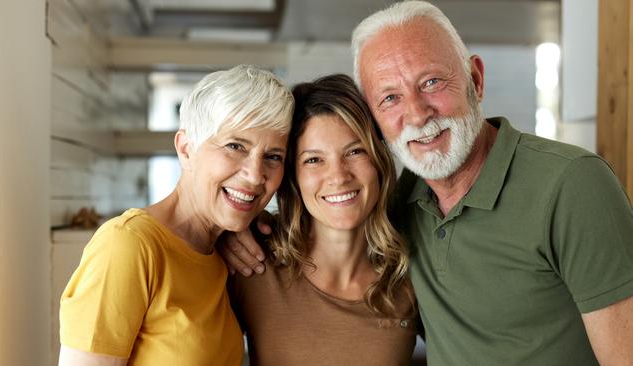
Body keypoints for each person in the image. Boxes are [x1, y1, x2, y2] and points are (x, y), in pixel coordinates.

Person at [222, 2, 633, 365]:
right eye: (390, 98)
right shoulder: (404, 207)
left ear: (475, 79)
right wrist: (227, 231)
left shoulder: (571, 183)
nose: (417, 114)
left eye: (432, 82)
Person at [58, 65, 294, 366]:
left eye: (273, 157)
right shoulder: (127, 245)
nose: (254, 175)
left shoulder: (225, 251)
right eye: (235, 146)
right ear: (186, 149)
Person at [227, 74, 417, 366]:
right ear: (293, 176)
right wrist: (226, 229)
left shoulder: (410, 276)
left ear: (379, 161)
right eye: (314, 160)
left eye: (355, 151)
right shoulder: (252, 263)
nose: (339, 176)